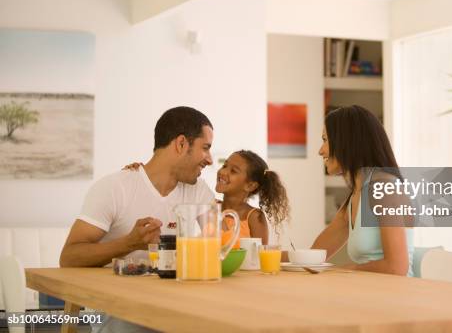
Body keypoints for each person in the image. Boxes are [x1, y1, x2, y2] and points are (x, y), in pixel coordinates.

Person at [60, 106, 215, 268]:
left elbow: (225, 246)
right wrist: (128, 243)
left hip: (173, 292)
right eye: (205, 148)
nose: (210, 160)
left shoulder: (198, 191)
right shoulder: (115, 187)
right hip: (116, 292)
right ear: (181, 144)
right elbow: (68, 258)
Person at [311, 105, 413, 276]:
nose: (320, 151)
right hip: (366, 291)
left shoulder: (384, 189)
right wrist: (263, 254)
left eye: (325, 140)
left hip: (395, 296)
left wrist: (344, 270)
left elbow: (397, 267)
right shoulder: (356, 196)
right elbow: (313, 255)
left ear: (347, 142)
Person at [217, 150, 290, 246]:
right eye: (224, 166)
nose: (223, 172)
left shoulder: (254, 217)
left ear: (250, 186)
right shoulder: (211, 206)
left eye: (233, 171)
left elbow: (259, 255)